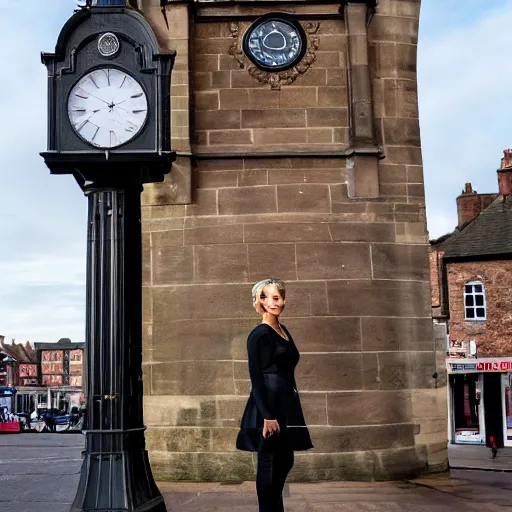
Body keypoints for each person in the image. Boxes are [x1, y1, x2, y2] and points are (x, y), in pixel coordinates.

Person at [236, 278, 313, 512]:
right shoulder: (259, 334)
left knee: (285, 459)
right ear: (258, 302)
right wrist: (267, 415)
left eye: (277, 297)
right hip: (267, 406)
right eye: (265, 297)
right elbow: (256, 378)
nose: (272, 302)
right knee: (269, 461)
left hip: (285, 403)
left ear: (283, 300)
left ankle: (273, 508)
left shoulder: (282, 330)